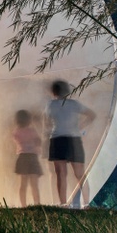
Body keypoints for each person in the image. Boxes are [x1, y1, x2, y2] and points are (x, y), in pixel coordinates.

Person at [44, 80, 96, 208]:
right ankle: (86, 202)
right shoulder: (74, 104)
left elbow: (47, 124)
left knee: (61, 174)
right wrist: (79, 127)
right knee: (79, 173)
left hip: (58, 139)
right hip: (73, 138)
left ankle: (63, 203)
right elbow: (91, 115)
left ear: (54, 91)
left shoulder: (51, 105)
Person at [13, 109, 43, 207]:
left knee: (23, 183)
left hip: (22, 157)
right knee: (34, 184)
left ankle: (23, 205)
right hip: (32, 157)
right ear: (29, 120)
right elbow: (39, 142)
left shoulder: (16, 132)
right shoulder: (32, 131)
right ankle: (37, 204)